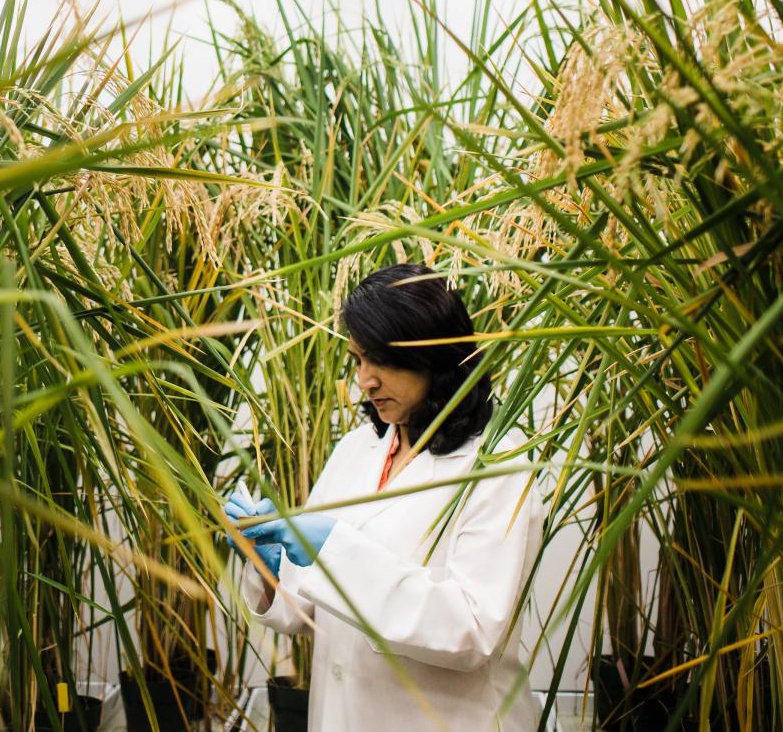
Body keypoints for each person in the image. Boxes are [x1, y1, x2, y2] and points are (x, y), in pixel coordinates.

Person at [224, 264, 543, 730]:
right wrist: (269, 567)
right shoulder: (359, 449)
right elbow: (308, 606)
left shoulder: (499, 466)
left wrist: (333, 551)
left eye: (382, 361)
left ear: (438, 357)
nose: (364, 380)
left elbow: (472, 632)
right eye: (358, 359)